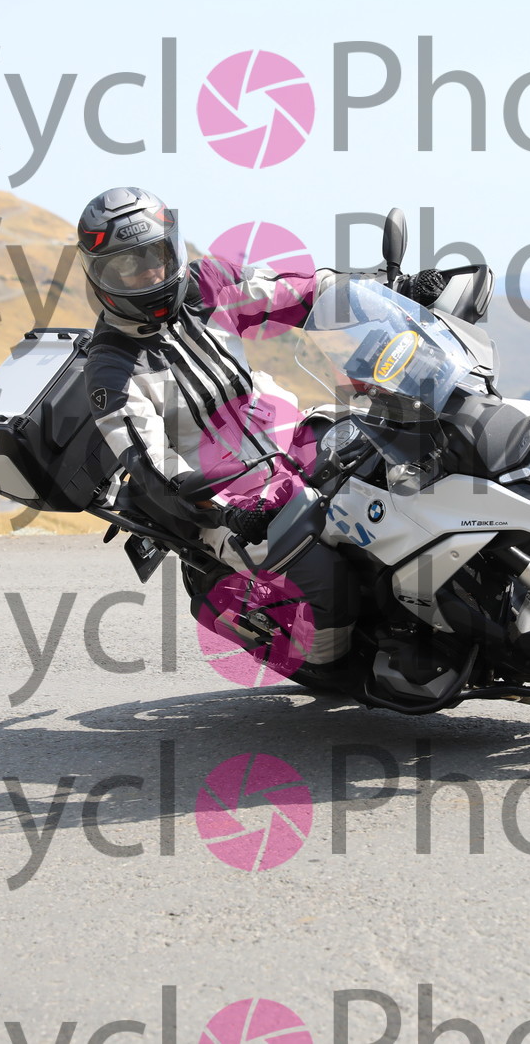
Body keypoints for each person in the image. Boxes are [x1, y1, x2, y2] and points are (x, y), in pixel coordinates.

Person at [75, 185, 437, 691]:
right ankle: (333, 666)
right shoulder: (112, 370)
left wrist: (386, 291)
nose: (150, 274)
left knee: (404, 465)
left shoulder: (207, 283)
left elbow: (302, 291)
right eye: (127, 267)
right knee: (327, 582)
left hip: (290, 437)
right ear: (100, 276)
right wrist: (224, 513)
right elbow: (153, 467)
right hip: (226, 493)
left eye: (155, 256)